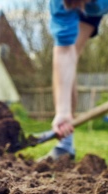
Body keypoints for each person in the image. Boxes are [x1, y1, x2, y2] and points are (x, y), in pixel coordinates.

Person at [45, 0, 108, 160]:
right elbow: (65, 51)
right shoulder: (60, 3)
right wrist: (63, 112)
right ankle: (65, 146)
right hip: (93, 8)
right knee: (70, 52)